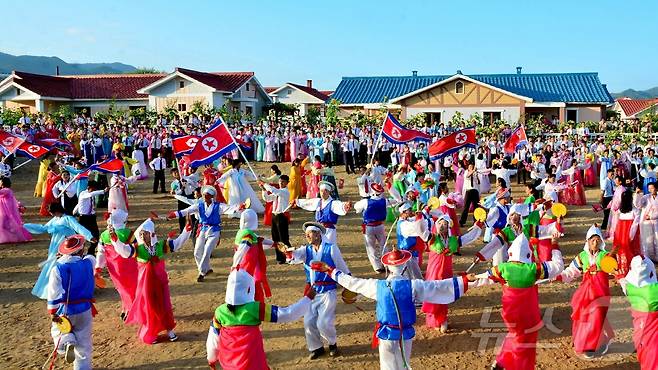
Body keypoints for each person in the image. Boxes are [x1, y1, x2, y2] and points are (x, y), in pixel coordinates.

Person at [310, 248, 475, 370]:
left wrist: (330, 270)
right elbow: (440, 286)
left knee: (388, 366)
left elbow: (352, 282)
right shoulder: (414, 285)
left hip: (386, 333)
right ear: (404, 266)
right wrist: (465, 281)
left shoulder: (377, 286)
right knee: (404, 364)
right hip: (405, 333)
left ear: (388, 267)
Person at [470, 235, 564, 370]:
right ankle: (514, 365)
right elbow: (558, 266)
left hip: (510, 312)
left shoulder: (503, 268)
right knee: (525, 341)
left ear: (510, 252)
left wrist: (466, 280)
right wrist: (554, 245)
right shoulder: (533, 269)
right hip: (529, 313)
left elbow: (483, 278)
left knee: (515, 335)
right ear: (528, 253)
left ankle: (502, 361)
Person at [206, 268, 315, 369]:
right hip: (251, 361)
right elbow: (287, 314)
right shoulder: (255, 308)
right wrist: (308, 299)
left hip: (229, 362)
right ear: (248, 288)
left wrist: (211, 359)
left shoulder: (219, 312)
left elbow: (213, 338)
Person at [108, 217, 191, 344]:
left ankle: (169, 329)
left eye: (145, 233)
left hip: (160, 281)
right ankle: (151, 332)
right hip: (146, 284)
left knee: (164, 304)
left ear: (151, 234)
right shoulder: (137, 249)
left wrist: (186, 230)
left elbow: (177, 243)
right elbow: (124, 250)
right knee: (149, 307)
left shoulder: (160, 246)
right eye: (141, 234)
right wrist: (115, 240)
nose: (142, 236)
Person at [281, 222, 351, 359]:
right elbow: (293, 257)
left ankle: (332, 344)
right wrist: (287, 252)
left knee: (323, 322)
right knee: (308, 321)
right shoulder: (306, 250)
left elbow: (342, 267)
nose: (307, 236)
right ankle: (316, 347)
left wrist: (349, 286)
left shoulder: (331, 249)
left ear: (319, 234)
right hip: (312, 292)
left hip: (328, 291)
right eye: (306, 234)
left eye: (310, 233)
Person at [554, 224, 613, 359]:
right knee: (584, 316)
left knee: (596, 318)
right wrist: (559, 276)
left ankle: (594, 345)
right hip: (585, 293)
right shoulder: (582, 256)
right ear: (587, 241)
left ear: (601, 241)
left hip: (600, 292)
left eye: (598, 239)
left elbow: (613, 270)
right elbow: (572, 271)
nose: (595, 242)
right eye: (592, 239)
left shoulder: (605, 256)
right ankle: (584, 342)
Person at [423, 214, 483, 332]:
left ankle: (442, 318)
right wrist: (420, 216)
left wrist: (478, 227)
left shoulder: (453, 240)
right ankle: (434, 319)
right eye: (440, 223)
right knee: (433, 292)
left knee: (444, 293)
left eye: (444, 224)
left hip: (446, 271)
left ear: (448, 227)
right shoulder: (432, 238)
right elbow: (421, 230)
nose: (442, 226)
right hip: (434, 271)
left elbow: (469, 237)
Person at [25, 203, 93, 299]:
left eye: (52, 212)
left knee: (68, 264)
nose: (51, 214)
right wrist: (25, 226)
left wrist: (89, 236)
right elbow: (43, 228)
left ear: (57, 211)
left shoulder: (68, 219)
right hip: (55, 246)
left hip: (68, 246)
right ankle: (51, 289)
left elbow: (78, 228)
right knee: (53, 266)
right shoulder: (55, 220)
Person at [168, 185, 237, 282]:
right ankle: (206, 269)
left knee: (207, 251)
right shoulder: (199, 205)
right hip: (203, 230)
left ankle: (202, 272)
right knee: (197, 252)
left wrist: (240, 207)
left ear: (211, 197)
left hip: (214, 231)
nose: (204, 197)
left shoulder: (218, 206)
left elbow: (230, 208)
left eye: (207, 195)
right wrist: (174, 214)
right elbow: (187, 211)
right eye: (204, 195)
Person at [47, 235, 95, 369]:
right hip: (85, 308)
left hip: (66, 309)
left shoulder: (57, 269)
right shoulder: (89, 263)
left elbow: (53, 293)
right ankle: (82, 367)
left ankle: (67, 341)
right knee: (84, 341)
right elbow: (89, 257)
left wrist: (52, 312)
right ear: (81, 250)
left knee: (58, 330)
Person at [96, 209, 138, 321]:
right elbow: (136, 249)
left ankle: (125, 308)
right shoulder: (128, 233)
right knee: (132, 288)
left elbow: (100, 252)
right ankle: (132, 310)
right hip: (129, 266)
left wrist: (98, 267)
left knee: (121, 288)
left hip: (113, 268)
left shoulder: (104, 235)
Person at [618, 255, 658, 370]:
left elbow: (624, 285)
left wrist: (620, 276)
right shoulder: (655, 290)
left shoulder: (631, 288)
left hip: (640, 330)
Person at [231, 209, 275, 303]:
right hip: (248, 265)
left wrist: (274, 244)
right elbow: (242, 250)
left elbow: (260, 240)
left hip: (246, 265)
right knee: (252, 285)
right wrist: (235, 264)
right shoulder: (248, 235)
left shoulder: (243, 232)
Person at [353, 183, 395, 273]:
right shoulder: (385, 201)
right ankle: (386, 263)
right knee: (383, 244)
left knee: (371, 247)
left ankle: (377, 267)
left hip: (369, 227)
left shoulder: (365, 202)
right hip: (380, 226)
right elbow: (396, 200)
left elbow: (356, 207)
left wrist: (360, 210)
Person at [259, 175, 291, 264]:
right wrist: (264, 190)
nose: (281, 183)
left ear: (287, 183)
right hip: (274, 216)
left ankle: (289, 256)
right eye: (280, 181)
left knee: (283, 238)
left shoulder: (284, 192)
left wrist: (264, 184)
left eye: (283, 182)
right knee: (276, 238)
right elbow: (268, 199)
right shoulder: (278, 192)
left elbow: (274, 190)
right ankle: (280, 258)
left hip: (281, 216)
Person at [611, 190, 641, 278]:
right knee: (631, 251)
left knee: (620, 251)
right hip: (629, 234)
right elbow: (635, 225)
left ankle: (621, 268)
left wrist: (615, 234)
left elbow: (616, 224)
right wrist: (631, 236)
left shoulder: (620, 210)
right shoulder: (635, 211)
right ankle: (631, 269)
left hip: (619, 234)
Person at [72, 181, 108, 255]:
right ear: (88, 188)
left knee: (96, 236)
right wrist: (103, 191)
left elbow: (80, 204)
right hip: (83, 219)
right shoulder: (83, 194)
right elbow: (90, 194)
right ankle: (78, 253)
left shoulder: (91, 195)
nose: (94, 191)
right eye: (93, 189)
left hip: (92, 218)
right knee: (81, 237)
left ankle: (91, 252)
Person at [0, 177, 32, 244]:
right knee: (7, 225)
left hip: (7, 211)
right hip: (6, 210)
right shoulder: (8, 190)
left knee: (6, 225)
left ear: (3, 183)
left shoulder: (6, 190)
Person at [637, 181, 658, 262]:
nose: (650, 190)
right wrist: (638, 195)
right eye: (649, 188)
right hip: (647, 223)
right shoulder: (646, 197)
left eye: (652, 188)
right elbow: (638, 205)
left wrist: (652, 216)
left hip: (656, 221)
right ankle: (649, 258)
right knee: (648, 240)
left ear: (656, 188)